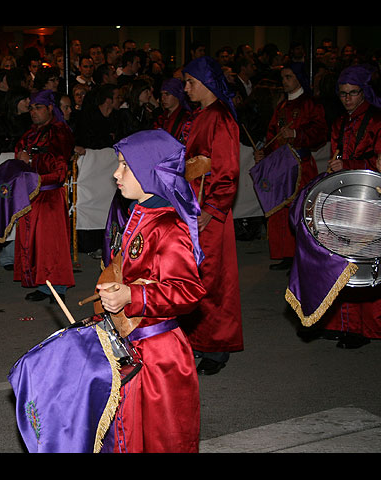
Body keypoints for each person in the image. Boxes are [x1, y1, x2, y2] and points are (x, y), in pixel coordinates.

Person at [96, 129, 206, 453]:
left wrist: (133, 296)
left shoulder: (168, 227)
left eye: (125, 166)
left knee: (162, 437)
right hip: (134, 342)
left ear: (151, 171)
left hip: (159, 355)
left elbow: (189, 290)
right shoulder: (140, 215)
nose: (116, 173)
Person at [178, 55, 243, 375]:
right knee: (190, 276)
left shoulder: (221, 118)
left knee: (213, 279)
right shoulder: (198, 115)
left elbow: (228, 169)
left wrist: (213, 208)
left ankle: (216, 347)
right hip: (190, 206)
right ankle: (193, 340)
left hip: (208, 212)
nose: (185, 88)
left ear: (206, 84)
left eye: (190, 82)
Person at [315, 64, 381, 349]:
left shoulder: (378, 120)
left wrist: (350, 165)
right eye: (342, 94)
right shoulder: (340, 122)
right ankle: (340, 322)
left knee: (366, 262)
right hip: (344, 195)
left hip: (371, 199)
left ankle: (363, 328)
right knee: (339, 258)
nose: (347, 99)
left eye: (353, 93)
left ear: (364, 92)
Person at [254, 62, 328, 271]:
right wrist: (264, 152)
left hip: (301, 166)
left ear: (298, 78)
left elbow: (321, 132)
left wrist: (296, 134)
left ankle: (302, 256)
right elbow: (271, 135)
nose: (284, 82)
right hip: (281, 167)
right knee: (281, 211)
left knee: (300, 210)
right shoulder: (282, 106)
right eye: (283, 77)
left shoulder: (311, 104)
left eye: (288, 77)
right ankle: (287, 254)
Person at [14, 89, 75, 302]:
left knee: (52, 244)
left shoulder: (59, 131)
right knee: (35, 244)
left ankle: (57, 288)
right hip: (32, 195)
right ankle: (43, 285)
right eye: (31, 108)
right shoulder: (31, 132)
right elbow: (20, 153)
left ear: (50, 108)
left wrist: (30, 161)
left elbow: (58, 169)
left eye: (38, 108)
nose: (33, 112)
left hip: (49, 196)